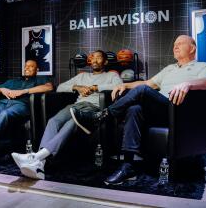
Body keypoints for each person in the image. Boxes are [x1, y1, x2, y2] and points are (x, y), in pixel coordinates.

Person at [70, 35, 206, 185]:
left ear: (192, 48)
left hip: (180, 111)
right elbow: (147, 83)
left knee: (142, 91)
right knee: (134, 109)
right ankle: (128, 166)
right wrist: (125, 85)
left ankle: (101, 116)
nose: (175, 46)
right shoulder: (170, 69)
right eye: (174, 44)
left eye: (180, 43)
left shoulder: (203, 66)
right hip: (162, 111)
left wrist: (188, 84)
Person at [12, 50, 123, 180]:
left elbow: (119, 86)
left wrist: (95, 88)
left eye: (99, 58)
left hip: (92, 108)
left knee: (71, 123)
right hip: (74, 106)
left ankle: (35, 157)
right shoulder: (82, 76)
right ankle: (40, 164)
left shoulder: (111, 75)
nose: (95, 60)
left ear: (105, 62)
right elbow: (60, 87)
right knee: (53, 121)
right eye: (93, 58)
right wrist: (77, 87)